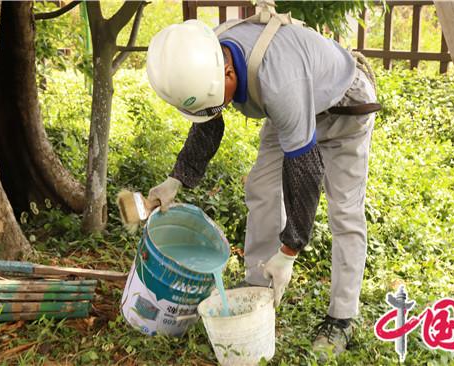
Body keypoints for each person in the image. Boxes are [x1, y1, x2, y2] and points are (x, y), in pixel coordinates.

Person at [145, 16, 377, 355]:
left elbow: (306, 173)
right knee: (261, 185)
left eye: (214, 100)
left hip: (345, 105)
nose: (214, 107)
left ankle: (341, 318)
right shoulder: (206, 54)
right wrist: (175, 180)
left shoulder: (278, 82)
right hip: (293, 102)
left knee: (344, 212)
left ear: (228, 74)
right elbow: (209, 120)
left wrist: (290, 251)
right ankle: (258, 286)